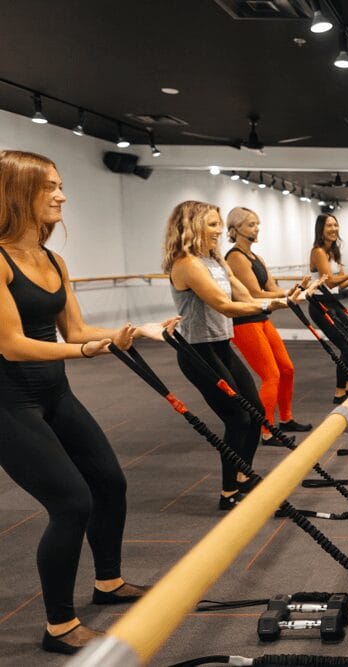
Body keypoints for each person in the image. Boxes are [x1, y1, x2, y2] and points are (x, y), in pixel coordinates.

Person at [0, 150, 177, 654]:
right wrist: (82, 350)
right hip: (10, 403)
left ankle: (109, 582)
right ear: (17, 191)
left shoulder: (55, 260)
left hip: (55, 394)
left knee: (110, 483)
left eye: (60, 185)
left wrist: (135, 332)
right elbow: (11, 344)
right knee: (71, 502)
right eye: (49, 186)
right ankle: (59, 626)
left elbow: (77, 329)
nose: (61, 195)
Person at [163, 201, 287, 511]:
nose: (220, 231)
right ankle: (228, 491)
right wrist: (268, 307)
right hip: (198, 352)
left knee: (256, 411)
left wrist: (279, 299)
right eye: (212, 225)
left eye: (219, 224)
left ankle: (244, 476)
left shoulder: (216, 260)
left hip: (221, 345)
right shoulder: (187, 263)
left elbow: (243, 295)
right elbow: (224, 305)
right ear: (193, 227)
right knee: (237, 417)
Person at [224, 207, 311, 433]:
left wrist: (294, 290)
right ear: (236, 229)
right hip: (245, 322)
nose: (257, 228)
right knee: (271, 375)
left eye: (257, 224)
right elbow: (254, 294)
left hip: (261, 318)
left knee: (287, 369)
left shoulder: (256, 257)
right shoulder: (235, 257)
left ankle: (286, 419)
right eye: (251, 224)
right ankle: (265, 429)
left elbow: (271, 288)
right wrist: (287, 295)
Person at [309, 213, 348, 402]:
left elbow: (340, 284)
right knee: (347, 346)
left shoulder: (333, 252)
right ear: (321, 230)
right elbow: (330, 283)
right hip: (320, 304)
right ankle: (339, 393)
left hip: (333, 302)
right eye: (329, 226)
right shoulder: (318, 252)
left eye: (335, 225)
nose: (333, 229)